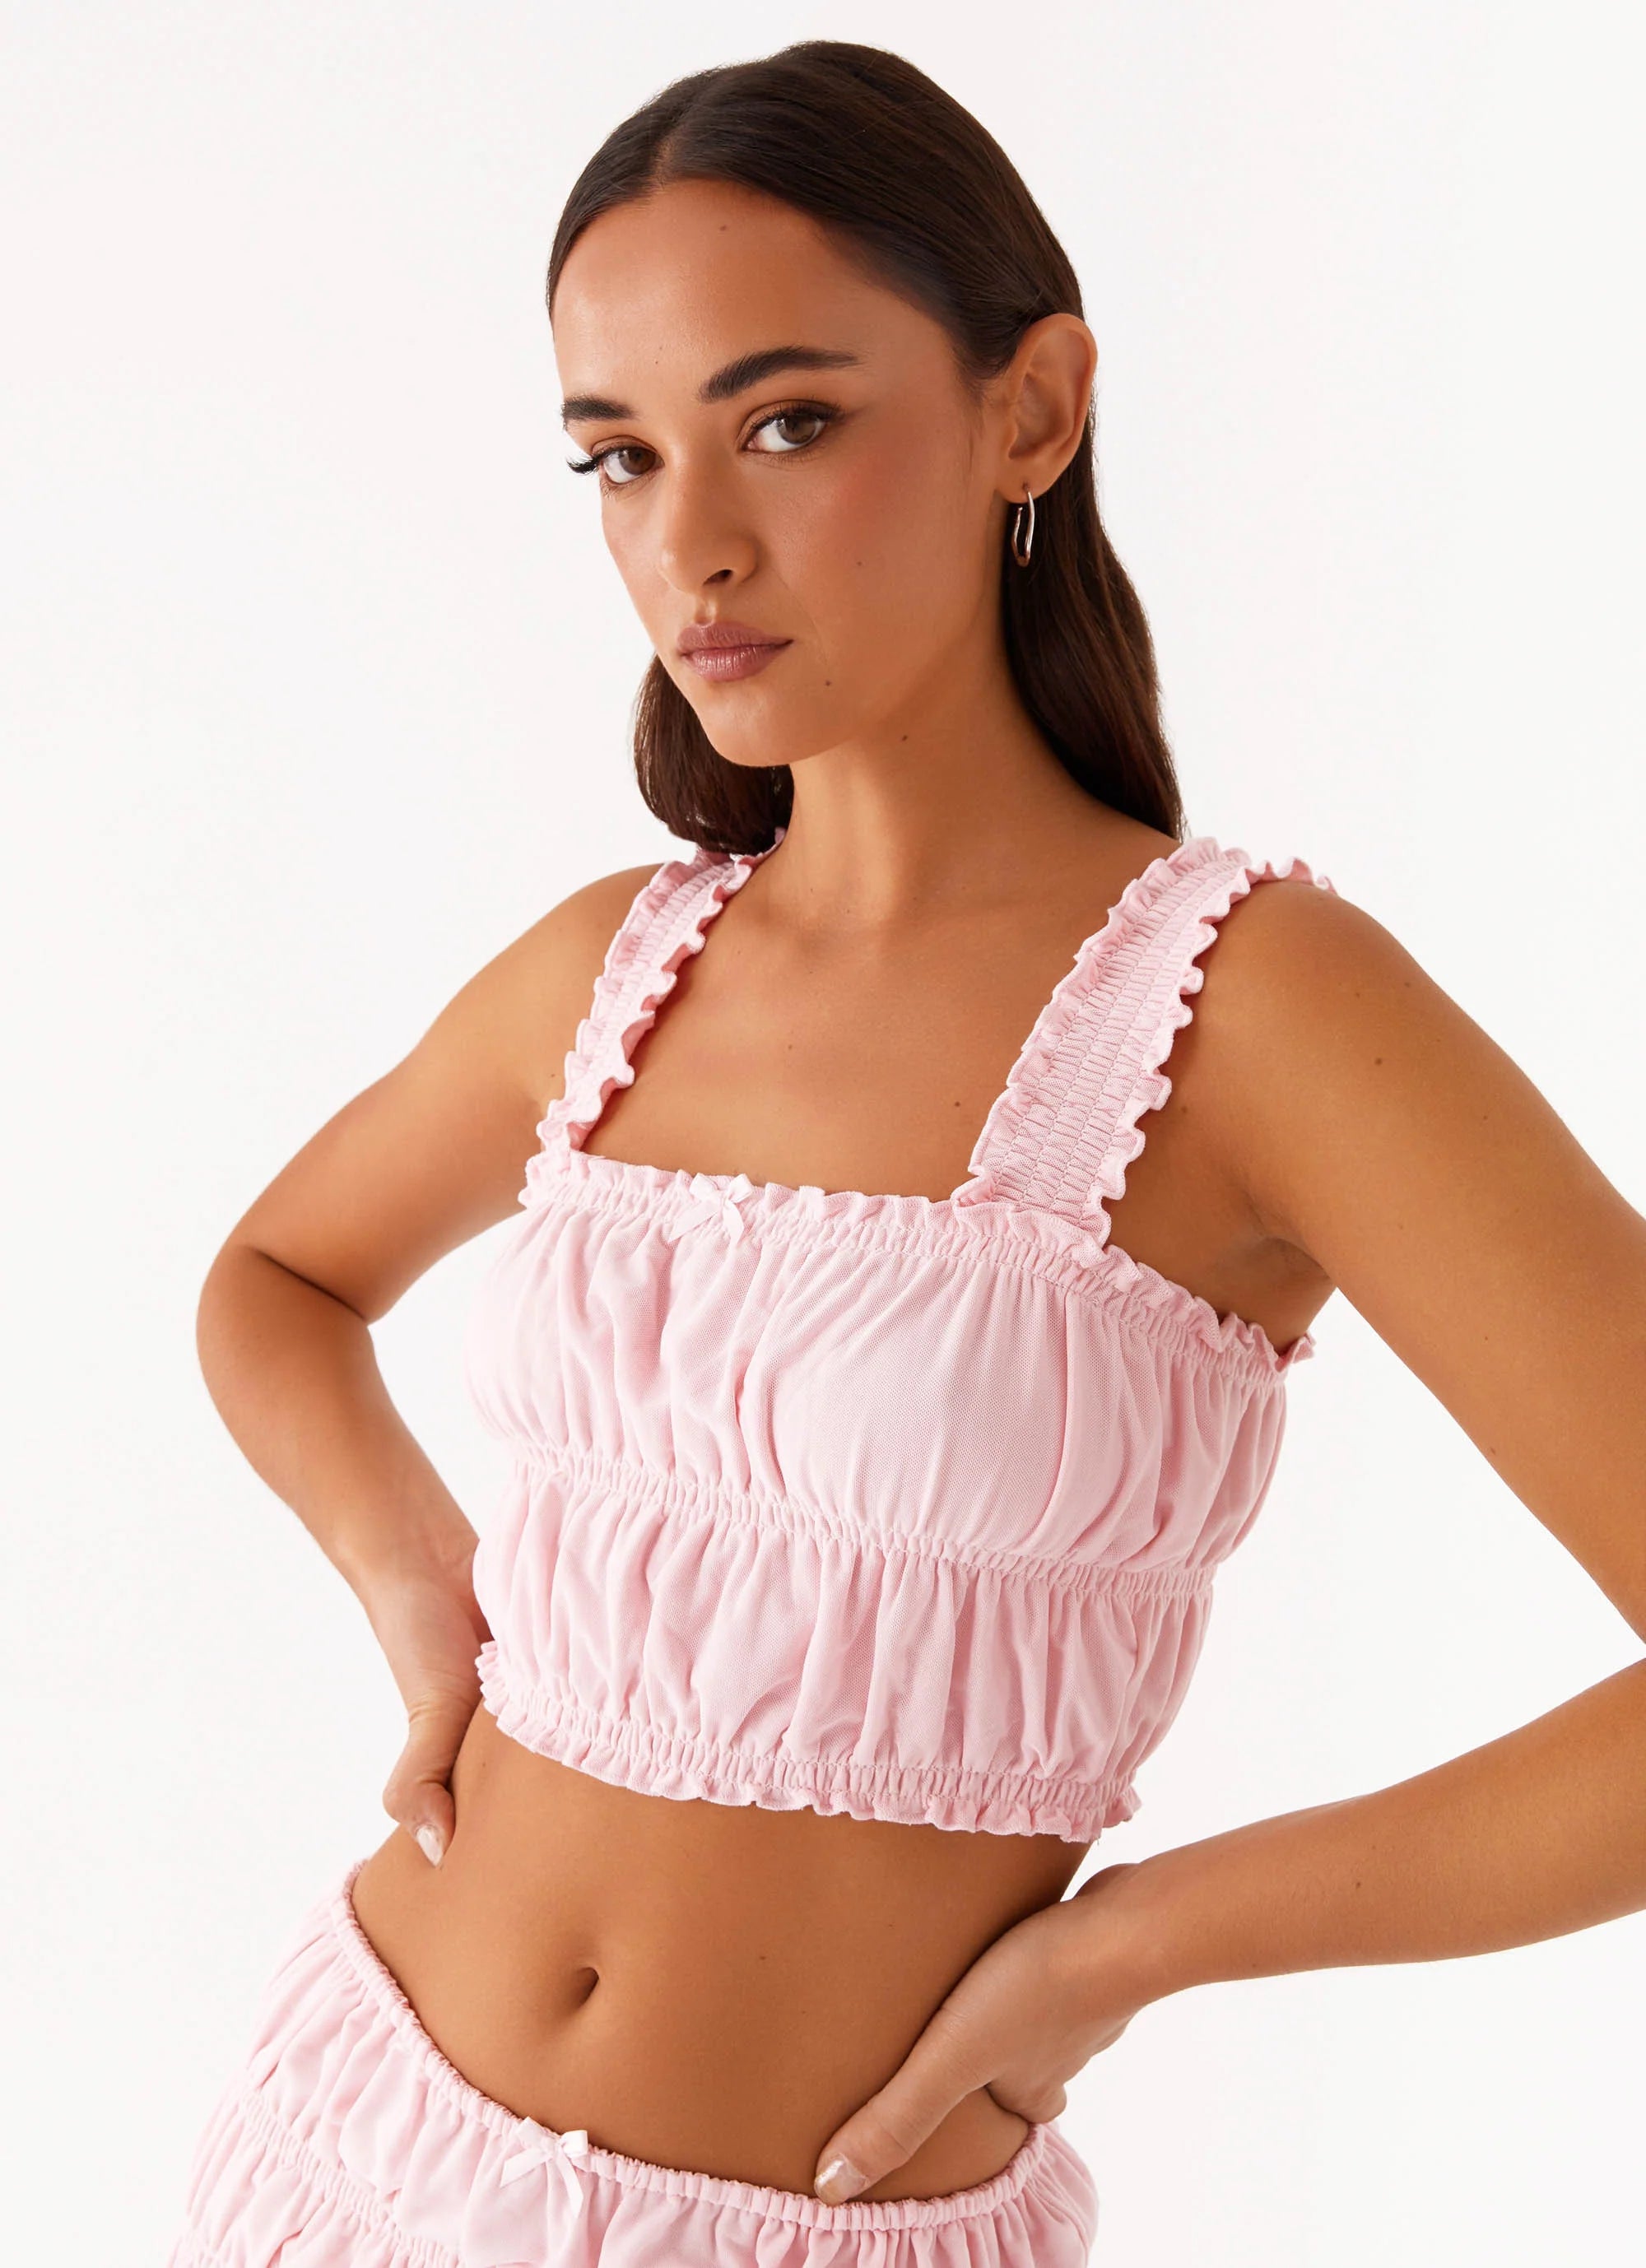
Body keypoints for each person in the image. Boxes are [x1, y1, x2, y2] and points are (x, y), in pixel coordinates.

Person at [165, 40, 1646, 2268]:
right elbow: (275, 1282)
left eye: (786, 422)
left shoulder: (1249, 1009)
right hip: (357, 2134)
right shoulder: (616, 968)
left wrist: (1130, 1943)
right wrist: (413, 1588)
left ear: (1031, 410)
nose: (693, 543)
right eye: (619, 457)